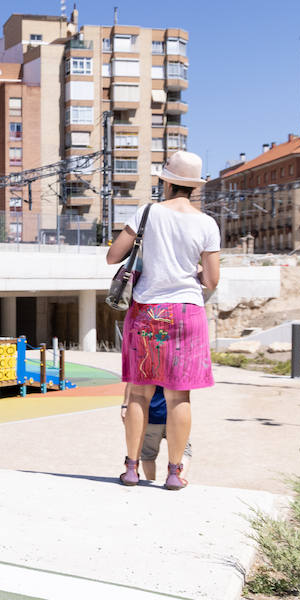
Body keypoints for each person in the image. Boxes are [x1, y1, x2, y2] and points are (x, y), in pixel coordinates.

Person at [106, 151, 220, 490]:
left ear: (167, 181)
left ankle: (130, 469)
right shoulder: (206, 223)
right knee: (178, 397)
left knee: (139, 394)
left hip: (146, 311)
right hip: (187, 312)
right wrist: (191, 272)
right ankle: (174, 472)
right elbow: (212, 281)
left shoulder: (147, 212)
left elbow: (113, 255)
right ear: (194, 186)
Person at [120, 384, 192, 482]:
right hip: (175, 418)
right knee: (185, 451)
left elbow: (131, 383)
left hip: (149, 417)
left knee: (148, 456)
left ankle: (137, 473)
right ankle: (175, 476)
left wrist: (125, 405)